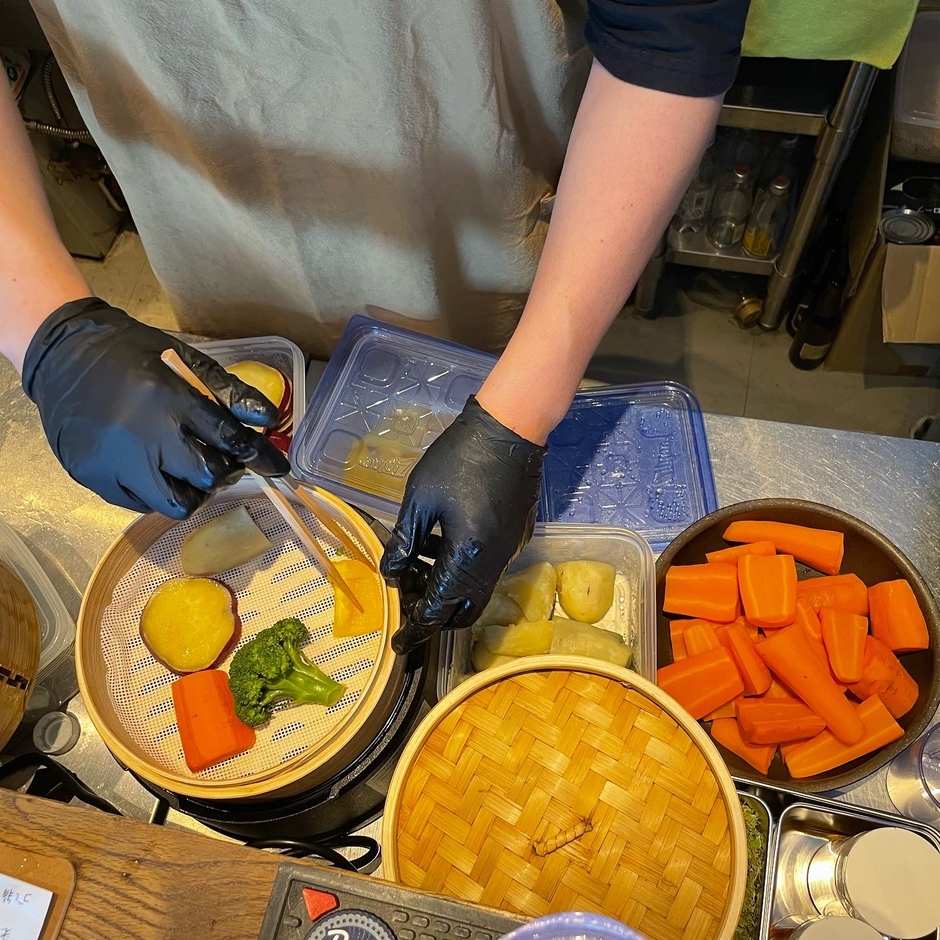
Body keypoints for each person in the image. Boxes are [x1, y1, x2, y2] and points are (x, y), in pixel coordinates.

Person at [1, 0, 750, 652]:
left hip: (468, 193)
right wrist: (45, 325)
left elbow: (668, 34)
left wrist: (521, 410)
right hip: (201, 213)